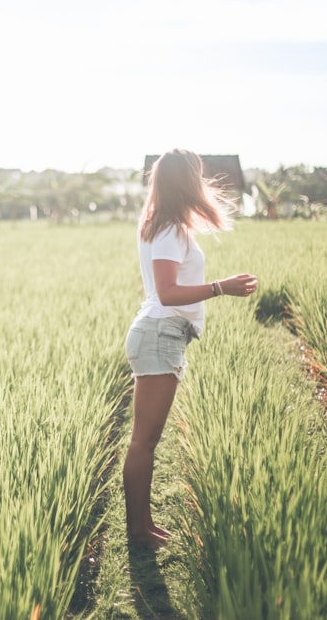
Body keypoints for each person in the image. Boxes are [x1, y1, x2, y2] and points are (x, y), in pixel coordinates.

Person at [123, 148, 257, 549]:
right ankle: (138, 532)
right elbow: (167, 293)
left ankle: (142, 526)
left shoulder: (162, 224)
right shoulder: (169, 230)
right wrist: (221, 287)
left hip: (162, 334)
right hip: (160, 333)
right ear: (187, 182)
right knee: (144, 440)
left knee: (145, 439)